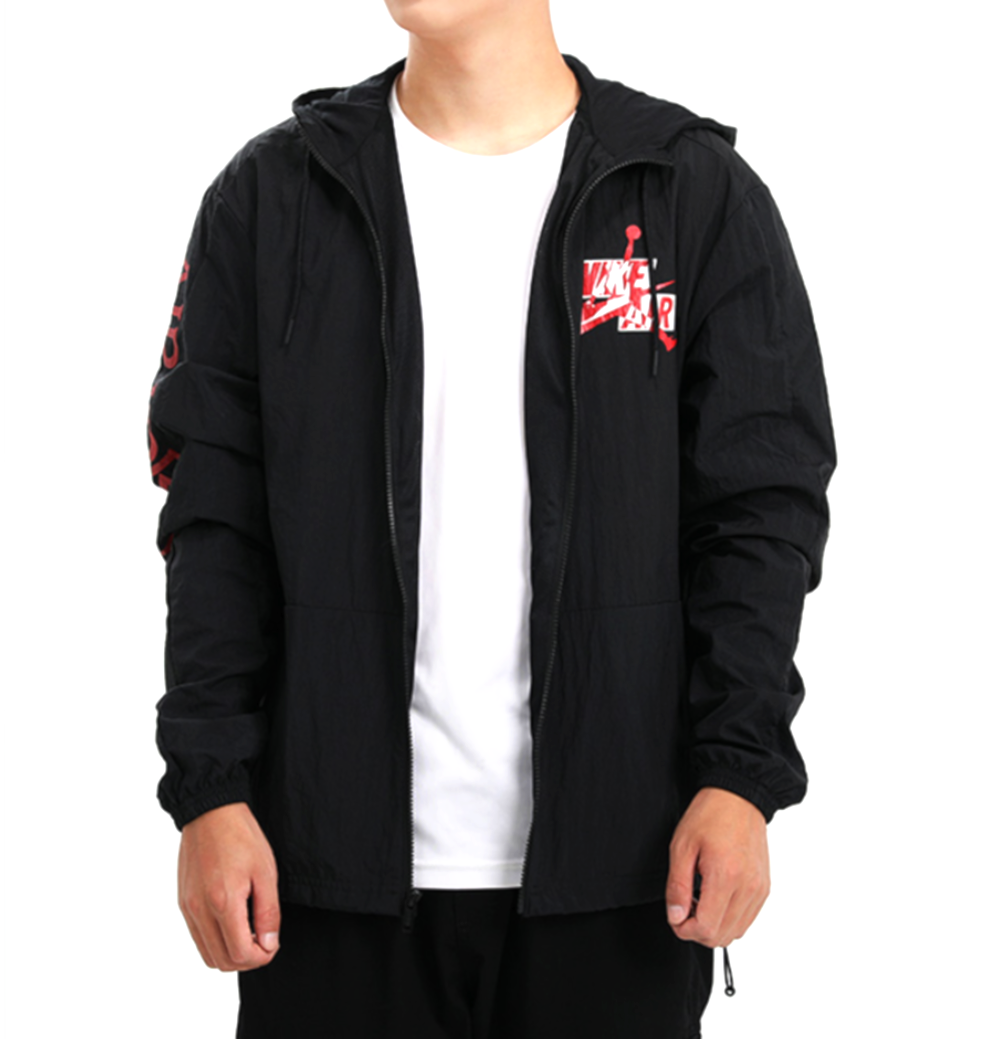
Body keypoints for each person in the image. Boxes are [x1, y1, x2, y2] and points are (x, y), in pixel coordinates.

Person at [146, 1, 836, 1035]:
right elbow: (213, 521)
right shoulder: (273, 196)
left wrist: (739, 777)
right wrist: (210, 790)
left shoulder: (688, 193)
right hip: (322, 878)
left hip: (621, 872)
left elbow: (758, 515)